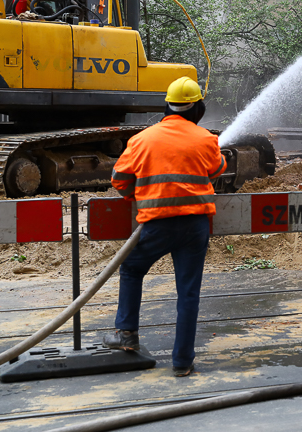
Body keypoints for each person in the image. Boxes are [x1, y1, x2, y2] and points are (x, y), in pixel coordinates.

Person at [102, 76, 226, 377]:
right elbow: (218, 169)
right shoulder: (207, 139)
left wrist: (137, 194)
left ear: (167, 106)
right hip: (195, 227)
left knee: (131, 269)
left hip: (156, 224)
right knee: (188, 292)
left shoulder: (142, 140)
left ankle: (127, 334)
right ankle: (182, 362)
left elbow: (119, 179)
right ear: (198, 108)